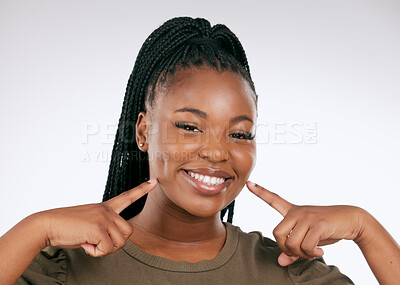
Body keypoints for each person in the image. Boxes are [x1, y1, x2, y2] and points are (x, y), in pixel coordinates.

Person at [1, 16, 399, 285]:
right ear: (143, 132)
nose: (217, 153)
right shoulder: (61, 268)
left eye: (240, 134)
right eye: (190, 126)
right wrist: (38, 228)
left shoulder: (287, 272)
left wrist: (366, 229)